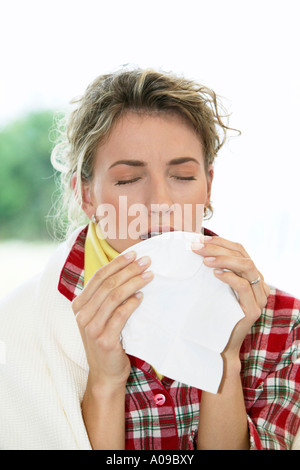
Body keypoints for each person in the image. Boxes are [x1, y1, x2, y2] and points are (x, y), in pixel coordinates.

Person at [0, 68, 299, 450]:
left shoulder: (283, 323)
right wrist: (105, 384)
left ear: (208, 186)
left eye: (183, 176)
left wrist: (224, 358)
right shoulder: (15, 331)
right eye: (127, 180)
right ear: (85, 194)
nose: (159, 204)